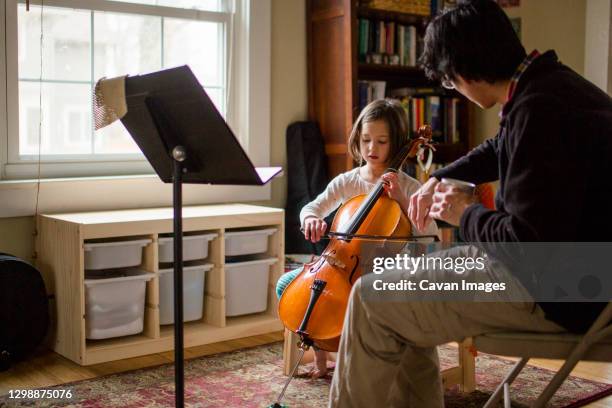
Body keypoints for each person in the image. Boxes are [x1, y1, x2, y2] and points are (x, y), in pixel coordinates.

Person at [329, 0, 612, 406]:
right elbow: (501, 147)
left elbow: (525, 246)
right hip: (582, 277)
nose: (453, 87)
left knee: (371, 299)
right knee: (394, 285)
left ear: (462, 69)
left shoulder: (541, 111)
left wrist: (464, 212)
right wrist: (441, 177)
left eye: (448, 81)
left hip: (557, 291)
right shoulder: (551, 87)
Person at [277, 98, 439, 379]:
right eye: (366, 140)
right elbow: (311, 207)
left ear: (398, 143)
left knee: (365, 299)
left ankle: (364, 359)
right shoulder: (348, 181)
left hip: (379, 274)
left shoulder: (411, 188)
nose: (371, 149)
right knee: (286, 285)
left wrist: (401, 198)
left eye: (381, 141)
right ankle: (321, 357)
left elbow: (430, 237)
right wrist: (311, 219)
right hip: (336, 264)